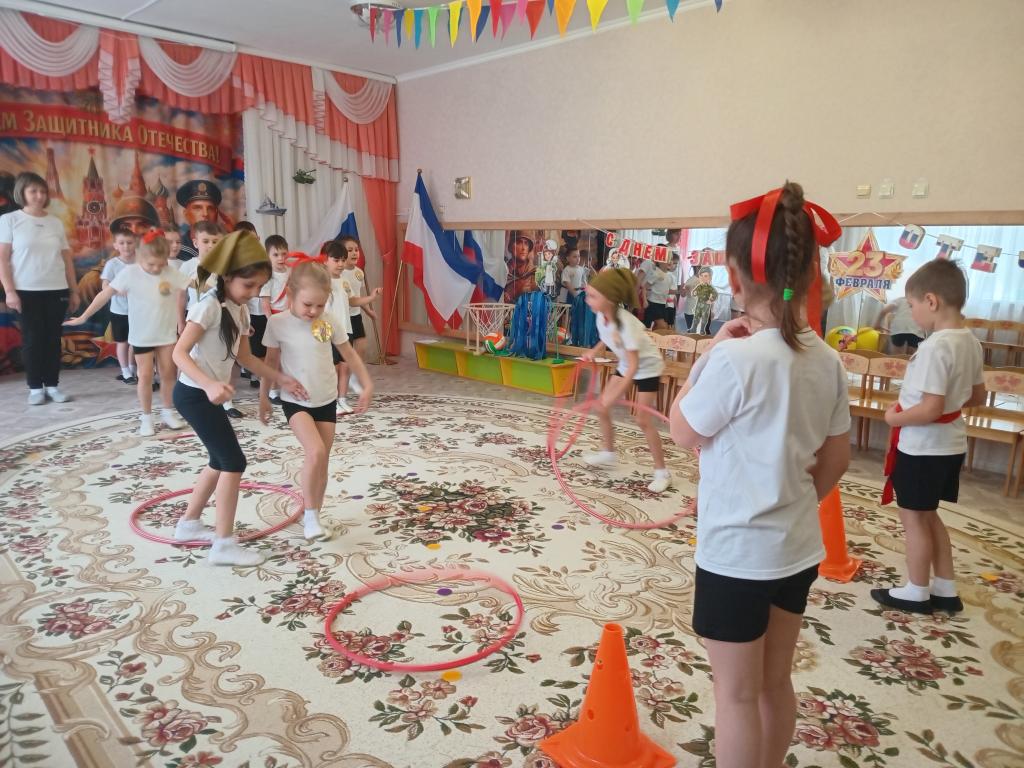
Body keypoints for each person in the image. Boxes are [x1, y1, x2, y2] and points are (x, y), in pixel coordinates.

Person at [669, 182, 850, 768]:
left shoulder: (733, 358)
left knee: (736, 696)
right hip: (796, 549)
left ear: (734, 277)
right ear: (809, 272)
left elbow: (682, 430)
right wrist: (791, 501)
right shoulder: (827, 359)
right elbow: (837, 458)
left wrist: (703, 358)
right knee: (774, 682)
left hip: (737, 556)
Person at [171, 231, 306, 566]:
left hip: (206, 396)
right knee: (233, 461)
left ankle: (189, 524)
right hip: (193, 394)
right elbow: (179, 353)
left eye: (259, 287)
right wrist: (208, 384)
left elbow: (245, 357)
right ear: (228, 277)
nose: (254, 293)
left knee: (219, 460)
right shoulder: (207, 307)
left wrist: (279, 378)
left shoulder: (240, 309)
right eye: (248, 285)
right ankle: (223, 544)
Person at [872, 260, 985, 615]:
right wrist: (947, 405)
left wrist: (894, 417)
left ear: (931, 301)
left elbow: (931, 408)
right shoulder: (970, 341)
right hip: (950, 444)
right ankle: (945, 588)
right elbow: (978, 396)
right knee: (929, 515)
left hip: (923, 448)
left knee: (914, 519)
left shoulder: (936, 347)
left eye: (911, 305)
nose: (911, 313)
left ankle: (916, 590)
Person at [259, 260, 373, 540]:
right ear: (290, 293)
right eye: (307, 304)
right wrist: (264, 397)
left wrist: (367, 384)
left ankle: (315, 515)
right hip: (295, 401)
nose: (313, 311)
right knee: (316, 452)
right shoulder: (277, 323)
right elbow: (269, 363)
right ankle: (310, 517)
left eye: (320, 305)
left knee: (322, 461)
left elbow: (349, 354)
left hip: (326, 399)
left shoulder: (329, 321)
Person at [66, 229, 189, 435]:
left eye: (161, 264)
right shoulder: (130, 273)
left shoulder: (170, 272)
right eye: (151, 264)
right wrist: (83, 317)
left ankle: (168, 412)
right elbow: (105, 295)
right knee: (145, 376)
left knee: (168, 374)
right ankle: (146, 417)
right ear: (140, 257)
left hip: (166, 335)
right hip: (142, 336)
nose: (156, 269)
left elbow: (197, 284)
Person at [579, 268, 672, 493]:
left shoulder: (627, 324)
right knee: (601, 407)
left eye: (593, 296)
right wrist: (594, 351)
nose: (587, 300)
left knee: (642, 419)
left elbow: (634, 366)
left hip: (647, 368)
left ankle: (662, 472)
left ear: (610, 300)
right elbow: (606, 337)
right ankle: (608, 453)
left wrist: (617, 392)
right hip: (626, 364)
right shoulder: (602, 316)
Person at [0, 172, 80, 404]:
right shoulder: (9, 220)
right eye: (33, 191)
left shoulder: (55, 222)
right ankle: (35, 387)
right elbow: (3, 259)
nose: (39, 195)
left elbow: (66, 259)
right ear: (22, 193)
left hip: (57, 290)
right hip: (25, 291)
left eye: (43, 191)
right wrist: (10, 291)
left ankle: (53, 385)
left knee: (53, 339)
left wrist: (74, 290)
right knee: (33, 339)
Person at [335, 236, 381, 414]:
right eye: (350, 250)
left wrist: (368, 310)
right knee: (342, 359)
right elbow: (350, 299)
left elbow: (357, 296)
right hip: (342, 319)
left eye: (356, 249)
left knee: (361, 346)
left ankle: (354, 376)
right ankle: (338, 394)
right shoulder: (338, 275)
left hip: (354, 316)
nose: (354, 253)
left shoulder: (358, 273)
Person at [102, 227, 138, 384]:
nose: (126, 246)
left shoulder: (141, 262)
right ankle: (125, 372)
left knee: (136, 342)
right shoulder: (112, 264)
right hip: (120, 311)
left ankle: (133, 369)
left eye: (129, 242)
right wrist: (117, 291)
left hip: (139, 311)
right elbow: (105, 286)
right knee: (123, 342)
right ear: (115, 245)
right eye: (122, 243)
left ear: (135, 243)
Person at [259, 234, 291, 403]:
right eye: (276, 254)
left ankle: (287, 387)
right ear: (267, 255)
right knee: (272, 358)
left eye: (284, 254)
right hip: (274, 319)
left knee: (288, 356)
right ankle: (272, 390)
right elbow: (265, 303)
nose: (280, 258)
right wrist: (271, 322)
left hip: (289, 318)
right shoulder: (267, 276)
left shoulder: (291, 272)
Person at [176, 179, 223, 260]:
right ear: (186, 214)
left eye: (210, 208)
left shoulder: (225, 248)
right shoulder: (177, 250)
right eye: (197, 208)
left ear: (216, 213)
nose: (205, 214)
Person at [643, 256, 679, 330]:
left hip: (662, 305)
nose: (670, 262)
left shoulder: (669, 276)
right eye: (667, 260)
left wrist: (679, 292)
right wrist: (644, 300)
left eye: (671, 260)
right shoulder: (656, 274)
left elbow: (667, 291)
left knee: (661, 327)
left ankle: (653, 336)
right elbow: (644, 287)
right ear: (659, 262)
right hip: (652, 303)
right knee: (654, 327)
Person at [689, 267, 718, 334]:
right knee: (696, 316)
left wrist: (711, 300)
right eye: (701, 276)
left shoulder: (710, 287)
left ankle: (702, 329)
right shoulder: (699, 286)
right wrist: (694, 293)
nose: (703, 278)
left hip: (706, 304)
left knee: (704, 318)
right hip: (699, 304)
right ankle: (694, 328)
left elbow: (715, 294)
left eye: (705, 276)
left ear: (709, 278)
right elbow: (694, 291)